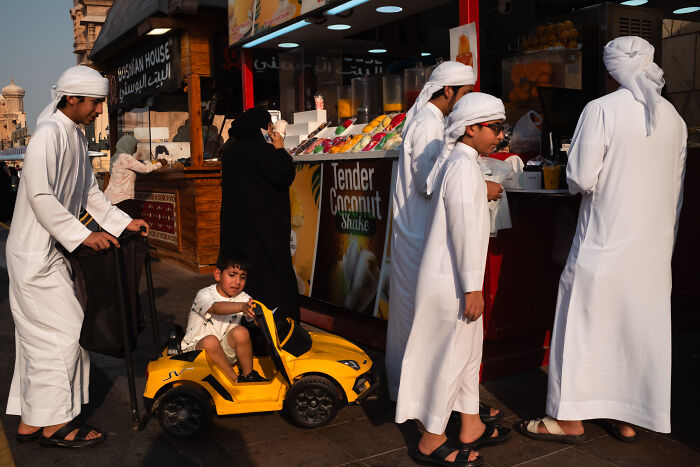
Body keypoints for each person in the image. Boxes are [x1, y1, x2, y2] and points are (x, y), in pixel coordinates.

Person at [516, 36, 687, 443]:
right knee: (634, 332)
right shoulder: (675, 119)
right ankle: (628, 416)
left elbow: (579, 178)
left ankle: (570, 419)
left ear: (611, 70)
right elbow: (677, 193)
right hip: (652, 247)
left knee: (581, 325)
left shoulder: (601, 109)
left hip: (604, 243)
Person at [5, 65, 150, 448]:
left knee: (39, 339)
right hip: (34, 256)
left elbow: (90, 194)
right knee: (68, 336)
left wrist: (122, 223)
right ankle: (55, 426)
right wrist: (85, 236)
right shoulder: (48, 135)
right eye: (95, 103)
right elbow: (40, 196)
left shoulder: (72, 135)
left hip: (49, 252)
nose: (99, 110)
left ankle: (32, 421)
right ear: (72, 98)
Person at [396, 93, 512, 467]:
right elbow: (464, 231)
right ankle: (431, 439)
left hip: (452, 280)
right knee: (450, 359)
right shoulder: (462, 167)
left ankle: (471, 424)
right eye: (494, 128)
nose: (499, 135)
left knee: (465, 356)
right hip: (454, 284)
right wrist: (472, 287)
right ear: (471, 128)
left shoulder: (462, 163)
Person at [386, 61, 502, 422]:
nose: (464, 101)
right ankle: (426, 404)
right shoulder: (427, 124)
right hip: (421, 233)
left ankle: (450, 403)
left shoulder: (430, 122)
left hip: (423, 231)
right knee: (428, 328)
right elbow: (431, 184)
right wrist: (483, 188)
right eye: (465, 94)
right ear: (449, 91)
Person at [220, 107, 299, 322]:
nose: (270, 130)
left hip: (238, 232)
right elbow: (284, 175)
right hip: (264, 232)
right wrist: (280, 148)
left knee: (243, 278)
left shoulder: (231, 153)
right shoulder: (260, 150)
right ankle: (277, 330)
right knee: (270, 280)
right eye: (268, 126)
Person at [181, 251, 269, 383]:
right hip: (197, 353)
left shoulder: (243, 298)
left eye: (243, 277)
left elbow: (255, 318)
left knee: (241, 332)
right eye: (232, 275)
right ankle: (235, 380)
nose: (237, 282)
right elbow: (216, 308)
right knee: (210, 341)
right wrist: (242, 307)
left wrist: (258, 317)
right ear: (217, 274)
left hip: (225, 353)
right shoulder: (205, 294)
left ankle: (248, 375)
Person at [104, 134, 162, 218]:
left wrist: (153, 163)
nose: (136, 148)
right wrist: (160, 164)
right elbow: (145, 169)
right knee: (131, 225)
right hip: (122, 200)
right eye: (135, 146)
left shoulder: (117, 157)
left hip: (111, 199)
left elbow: (139, 165)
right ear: (128, 145)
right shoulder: (126, 158)